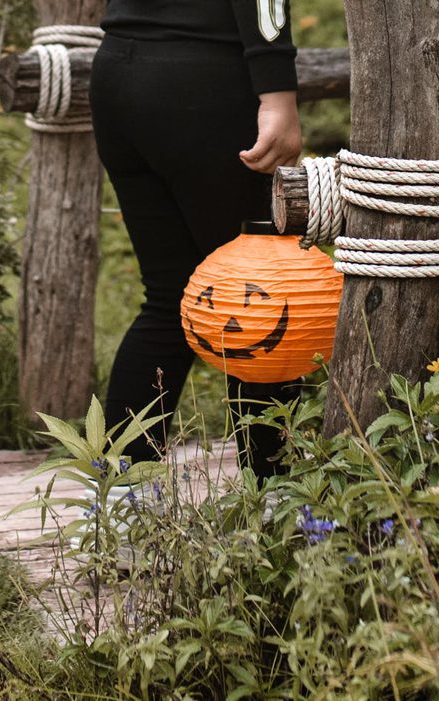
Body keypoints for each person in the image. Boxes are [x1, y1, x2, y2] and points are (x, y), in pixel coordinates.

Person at [92, 0, 304, 473]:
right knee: (261, 298)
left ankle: (119, 496)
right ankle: (274, 497)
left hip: (118, 73)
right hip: (204, 83)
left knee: (170, 296)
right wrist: (277, 93)